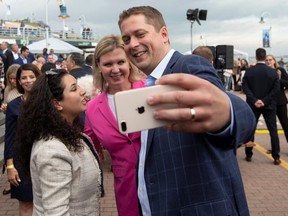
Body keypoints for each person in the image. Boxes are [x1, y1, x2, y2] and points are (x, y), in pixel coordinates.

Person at [118, 6, 255, 215]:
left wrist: (227, 114)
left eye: (139, 34)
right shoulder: (149, 85)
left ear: (164, 34)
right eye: (126, 39)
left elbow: (240, 115)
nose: (133, 44)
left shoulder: (188, 66)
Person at [14, 69, 102, 215]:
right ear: (57, 104)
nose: (82, 91)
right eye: (74, 88)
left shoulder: (69, 133)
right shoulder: (52, 150)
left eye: (78, 85)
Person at [84, 35, 145, 216]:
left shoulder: (149, 89)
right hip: (126, 188)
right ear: (99, 67)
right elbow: (89, 150)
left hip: (162, 181)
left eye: (121, 62)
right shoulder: (93, 109)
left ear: (129, 63)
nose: (116, 69)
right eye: (108, 64)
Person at [4, 63, 41, 215]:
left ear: (38, 78)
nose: (28, 80)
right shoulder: (13, 106)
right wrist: (10, 167)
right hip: (22, 161)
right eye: (23, 77)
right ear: (18, 81)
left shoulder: (49, 102)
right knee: (26, 205)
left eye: (32, 77)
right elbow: (10, 138)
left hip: (46, 158)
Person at [242, 48, 281, 165]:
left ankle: (249, 154)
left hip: (253, 105)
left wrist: (255, 100)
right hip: (269, 105)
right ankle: (276, 156)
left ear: (256, 57)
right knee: (273, 130)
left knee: (251, 130)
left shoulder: (249, 71)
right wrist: (264, 101)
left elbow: (245, 87)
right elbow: (276, 89)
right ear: (265, 58)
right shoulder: (273, 72)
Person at [265, 54, 288, 152]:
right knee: (272, 128)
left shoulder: (280, 70)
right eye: (266, 60)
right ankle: (275, 148)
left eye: (270, 60)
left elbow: (287, 83)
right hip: (270, 103)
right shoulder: (264, 72)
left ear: (274, 61)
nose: (268, 61)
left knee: (285, 125)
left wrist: (279, 79)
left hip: (280, 102)